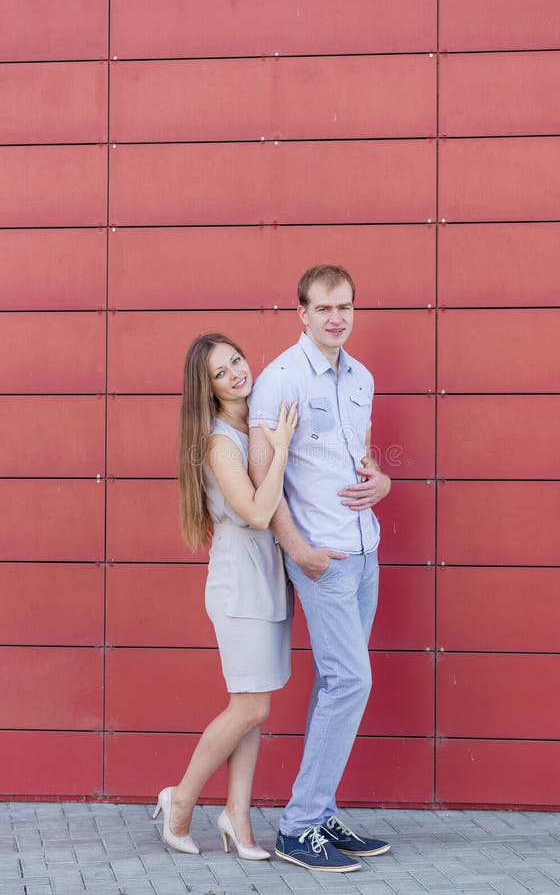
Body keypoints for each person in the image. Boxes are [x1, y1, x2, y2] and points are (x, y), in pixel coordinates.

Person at [248, 265, 392, 872]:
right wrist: (296, 549)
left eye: (346, 307)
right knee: (351, 681)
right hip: (323, 560)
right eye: (324, 307)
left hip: (365, 553)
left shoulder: (361, 377)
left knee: (337, 682)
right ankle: (299, 825)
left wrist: (383, 480)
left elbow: (358, 457)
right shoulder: (280, 378)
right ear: (300, 311)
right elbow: (261, 472)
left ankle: (321, 810)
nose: (337, 317)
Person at [153, 332, 297, 860]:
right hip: (240, 584)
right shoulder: (218, 442)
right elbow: (258, 513)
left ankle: (237, 817)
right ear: (207, 389)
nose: (237, 371)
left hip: (265, 579)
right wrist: (281, 450)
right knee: (251, 705)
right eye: (221, 371)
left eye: (236, 358)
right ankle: (182, 801)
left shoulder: (248, 421)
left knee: (253, 704)